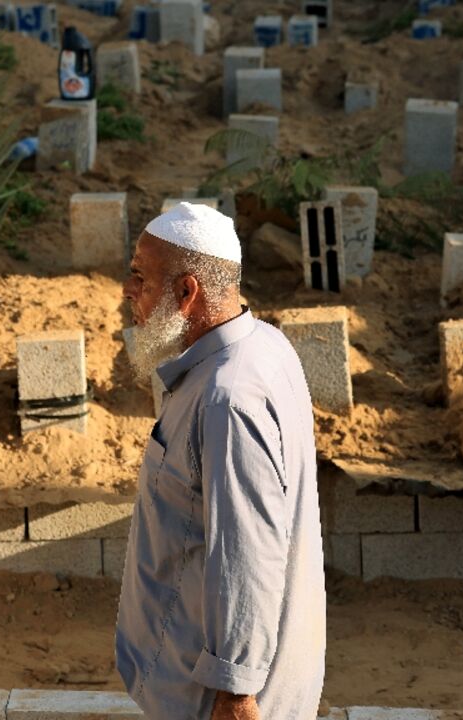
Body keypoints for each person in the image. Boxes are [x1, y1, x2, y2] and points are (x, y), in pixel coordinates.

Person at [115, 202, 326, 720]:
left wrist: (236, 692)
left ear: (186, 293)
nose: (128, 291)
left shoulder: (226, 398)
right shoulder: (264, 346)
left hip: (209, 700)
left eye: (141, 276)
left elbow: (247, 551)